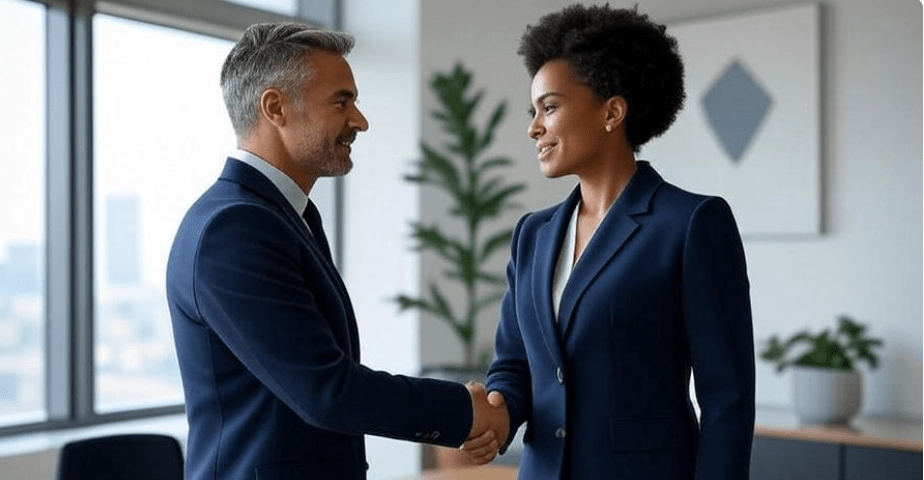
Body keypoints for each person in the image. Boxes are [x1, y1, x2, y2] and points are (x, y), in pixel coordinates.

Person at [166, 23, 507, 480]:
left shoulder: (280, 216)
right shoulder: (235, 227)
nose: (360, 120)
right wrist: (463, 411)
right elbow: (325, 390)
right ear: (275, 107)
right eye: (341, 101)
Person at [462, 5, 755, 479]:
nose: (533, 127)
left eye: (549, 107)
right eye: (533, 111)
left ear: (612, 111)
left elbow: (728, 400)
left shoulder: (691, 223)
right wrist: (497, 415)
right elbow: (514, 365)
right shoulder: (532, 235)